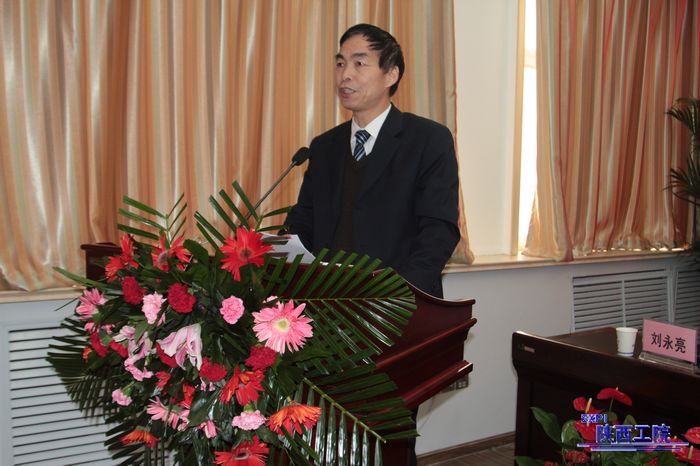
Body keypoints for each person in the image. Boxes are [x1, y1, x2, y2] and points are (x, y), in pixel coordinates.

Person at [285, 23, 459, 298]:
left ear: (391, 74)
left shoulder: (428, 139)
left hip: (397, 304)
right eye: (340, 64)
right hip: (327, 303)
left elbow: (438, 232)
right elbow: (303, 224)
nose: (345, 75)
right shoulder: (324, 146)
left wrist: (397, 297)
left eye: (359, 63)